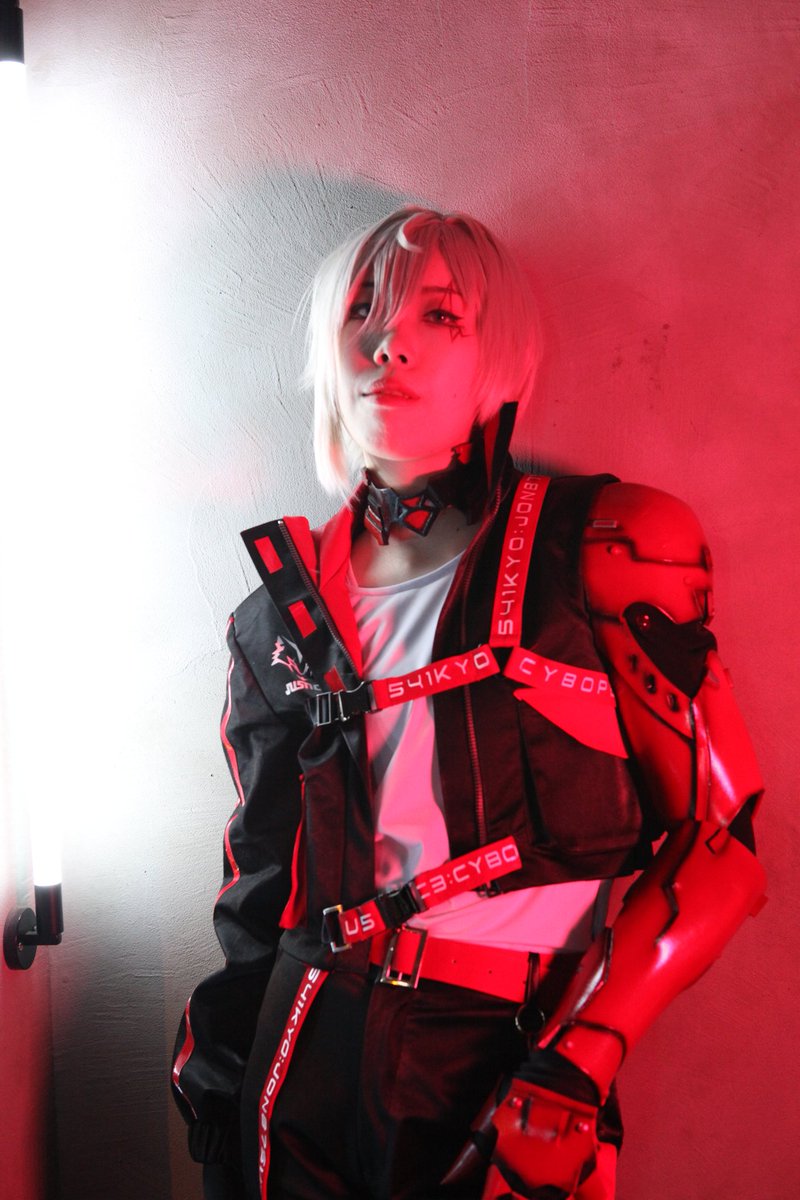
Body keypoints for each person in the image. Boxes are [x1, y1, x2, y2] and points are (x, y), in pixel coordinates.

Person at [171, 208, 766, 1200]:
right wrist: (215, 1067)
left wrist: (582, 1061)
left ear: (498, 353)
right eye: (361, 313)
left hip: (511, 1059)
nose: (388, 343)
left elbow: (723, 843)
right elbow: (261, 876)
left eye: (437, 315)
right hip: (298, 1053)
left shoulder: (613, 547)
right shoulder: (277, 608)